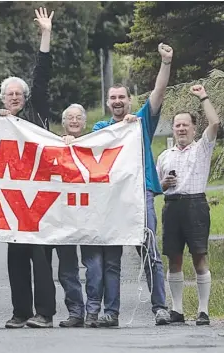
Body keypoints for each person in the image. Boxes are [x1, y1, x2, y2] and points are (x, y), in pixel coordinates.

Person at [91, 43, 174, 327]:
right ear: (107, 103)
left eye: (122, 97)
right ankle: (111, 313)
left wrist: (165, 63)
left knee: (150, 252)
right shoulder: (100, 130)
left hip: (141, 194)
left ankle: (160, 307)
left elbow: (158, 94)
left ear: (129, 100)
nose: (117, 101)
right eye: (112, 97)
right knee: (112, 258)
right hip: (112, 200)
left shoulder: (140, 122)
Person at [0, 7, 57, 329]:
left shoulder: (38, 111)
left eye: (19, 93)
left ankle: (44, 312)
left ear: (26, 97)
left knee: (41, 256)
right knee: (15, 256)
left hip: (40, 192)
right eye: (9, 94)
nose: (14, 97)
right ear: (2, 99)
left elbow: (41, 74)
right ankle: (20, 312)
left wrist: (45, 33)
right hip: (11, 197)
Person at [157, 85, 220, 326]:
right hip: (172, 205)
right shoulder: (165, 156)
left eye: (186, 125)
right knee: (174, 258)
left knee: (199, 257)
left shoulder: (202, 148)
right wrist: (164, 183)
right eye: (177, 125)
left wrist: (204, 96)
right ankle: (177, 310)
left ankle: (203, 311)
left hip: (195, 205)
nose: (181, 128)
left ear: (194, 128)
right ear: (172, 129)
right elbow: (157, 187)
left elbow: (214, 124)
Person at [51, 104, 88, 327]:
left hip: (89, 215)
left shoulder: (98, 143)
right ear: (63, 123)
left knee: (94, 267)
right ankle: (76, 311)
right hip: (63, 217)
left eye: (78, 118)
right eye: (70, 118)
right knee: (67, 268)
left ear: (84, 123)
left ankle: (94, 310)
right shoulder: (54, 145)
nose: (74, 121)